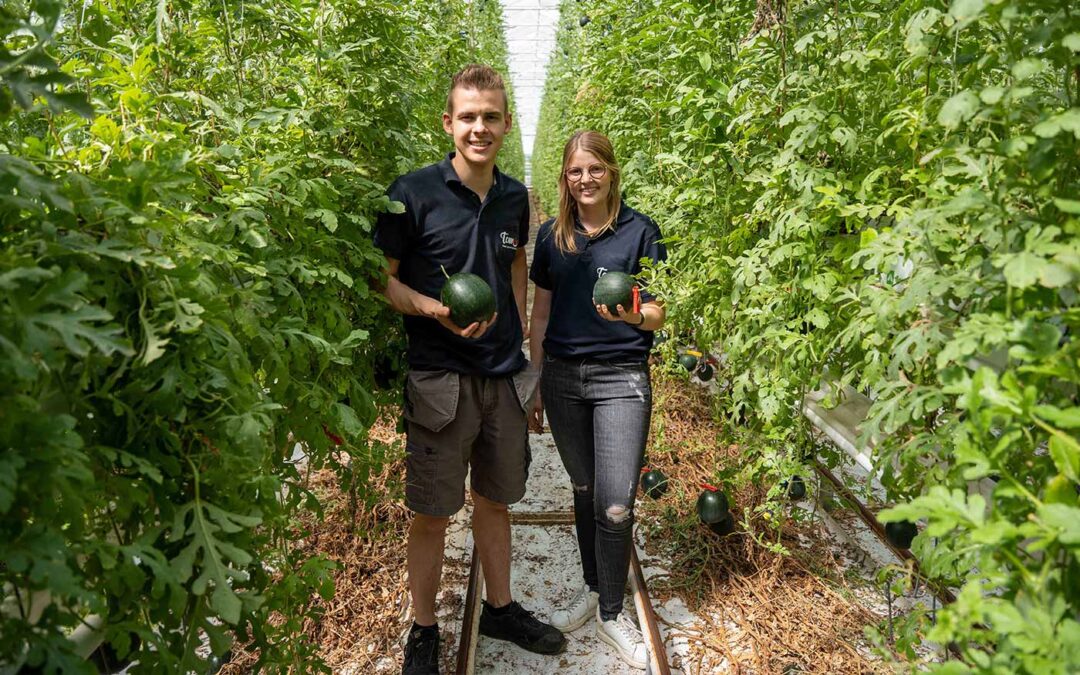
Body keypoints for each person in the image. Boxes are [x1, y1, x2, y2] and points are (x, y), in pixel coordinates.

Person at [375, 64, 565, 675]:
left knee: (496, 498)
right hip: (440, 377)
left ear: (506, 124)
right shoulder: (413, 192)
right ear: (448, 123)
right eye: (467, 116)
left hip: (503, 375)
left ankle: (502, 609)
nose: (478, 127)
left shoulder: (515, 197)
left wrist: (524, 362)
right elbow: (383, 279)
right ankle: (424, 629)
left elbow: (514, 272)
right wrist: (432, 308)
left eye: (490, 116)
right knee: (431, 512)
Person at [528, 130, 667, 670]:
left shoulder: (641, 232)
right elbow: (539, 315)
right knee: (584, 490)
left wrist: (631, 314)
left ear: (611, 171)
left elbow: (657, 311)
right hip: (562, 377)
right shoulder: (552, 237)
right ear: (565, 178)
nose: (585, 179)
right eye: (574, 171)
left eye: (595, 169)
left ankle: (613, 612)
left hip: (621, 379)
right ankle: (594, 589)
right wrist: (536, 380)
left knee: (616, 502)